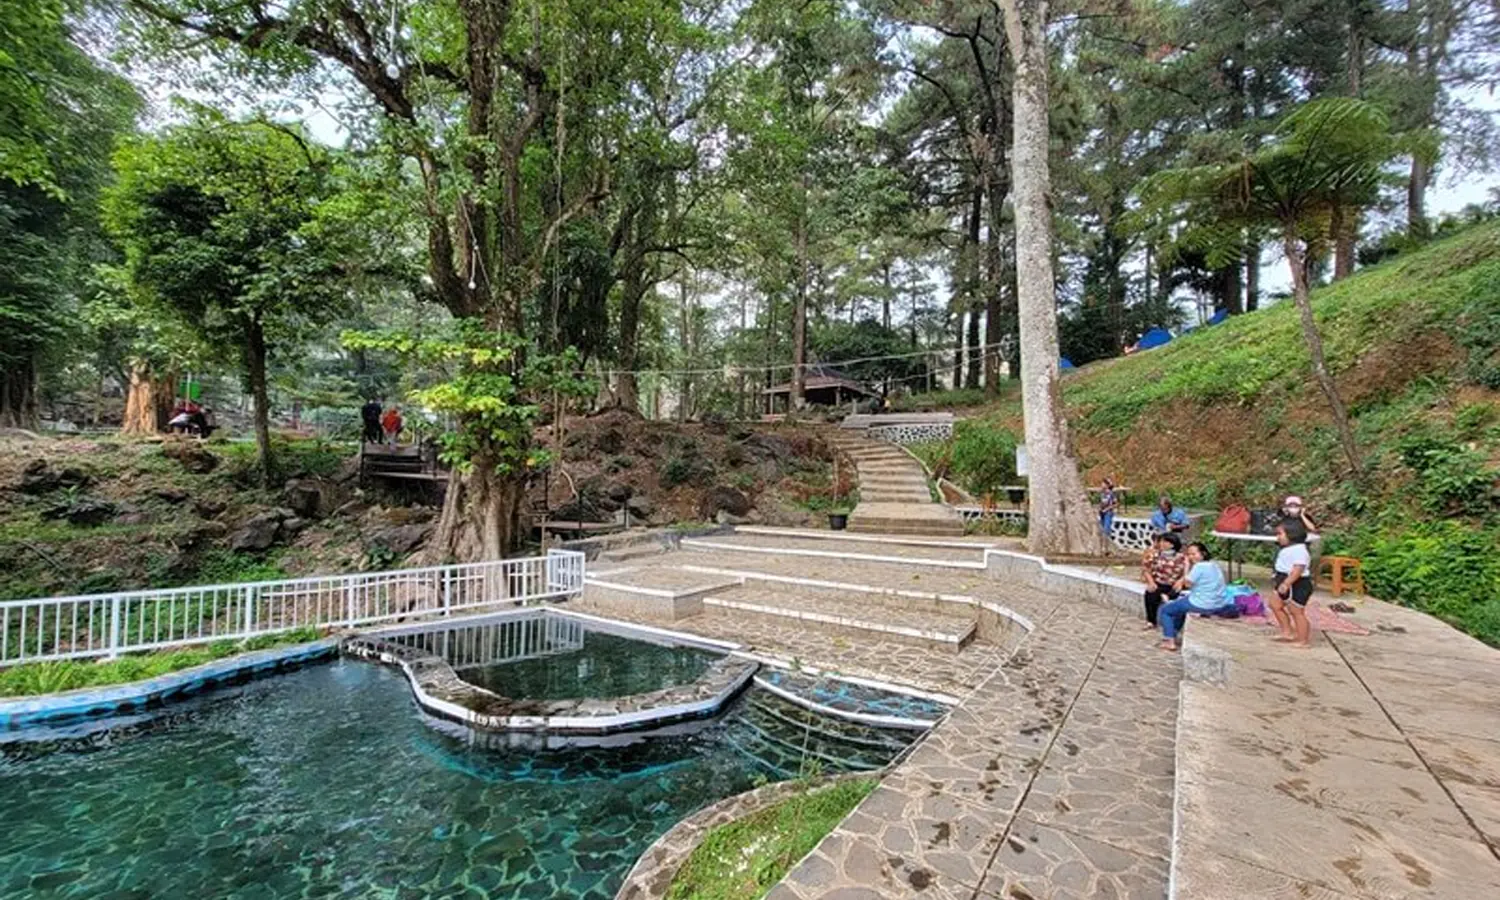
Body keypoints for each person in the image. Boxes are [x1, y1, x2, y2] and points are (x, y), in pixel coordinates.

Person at [1157, 542, 1229, 651]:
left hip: (1201, 603)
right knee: (1179, 607)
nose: (1191, 557)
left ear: (1203, 554)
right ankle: (1173, 634)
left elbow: (1187, 584)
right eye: (1189, 554)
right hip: (1218, 602)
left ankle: (1169, 641)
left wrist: (1186, 567)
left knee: (1166, 610)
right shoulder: (1214, 565)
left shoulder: (1199, 567)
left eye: (1194, 554)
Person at [1269, 519, 1314, 647]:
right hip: (1283, 580)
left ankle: (1303, 640)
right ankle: (1287, 632)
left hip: (1297, 583)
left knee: (1296, 612)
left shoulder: (1299, 550)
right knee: (1274, 604)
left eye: (1280, 534)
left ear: (1292, 535)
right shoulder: (1287, 549)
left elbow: (1298, 570)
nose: (1278, 537)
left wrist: (1287, 583)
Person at [1141, 532, 1186, 630]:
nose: (1161, 544)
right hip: (1159, 582)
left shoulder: (1181, 557)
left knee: (1177, 590)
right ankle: (1151, 621)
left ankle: (1167, 596)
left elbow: (1187, 572)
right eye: (1161, 541)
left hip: (1173, 583)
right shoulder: (1155, 555)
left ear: (1172, 544)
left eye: (1165, 542)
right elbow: (1146, 570)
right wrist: (1151, 582)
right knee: (1150, 593)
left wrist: (1180, 581)